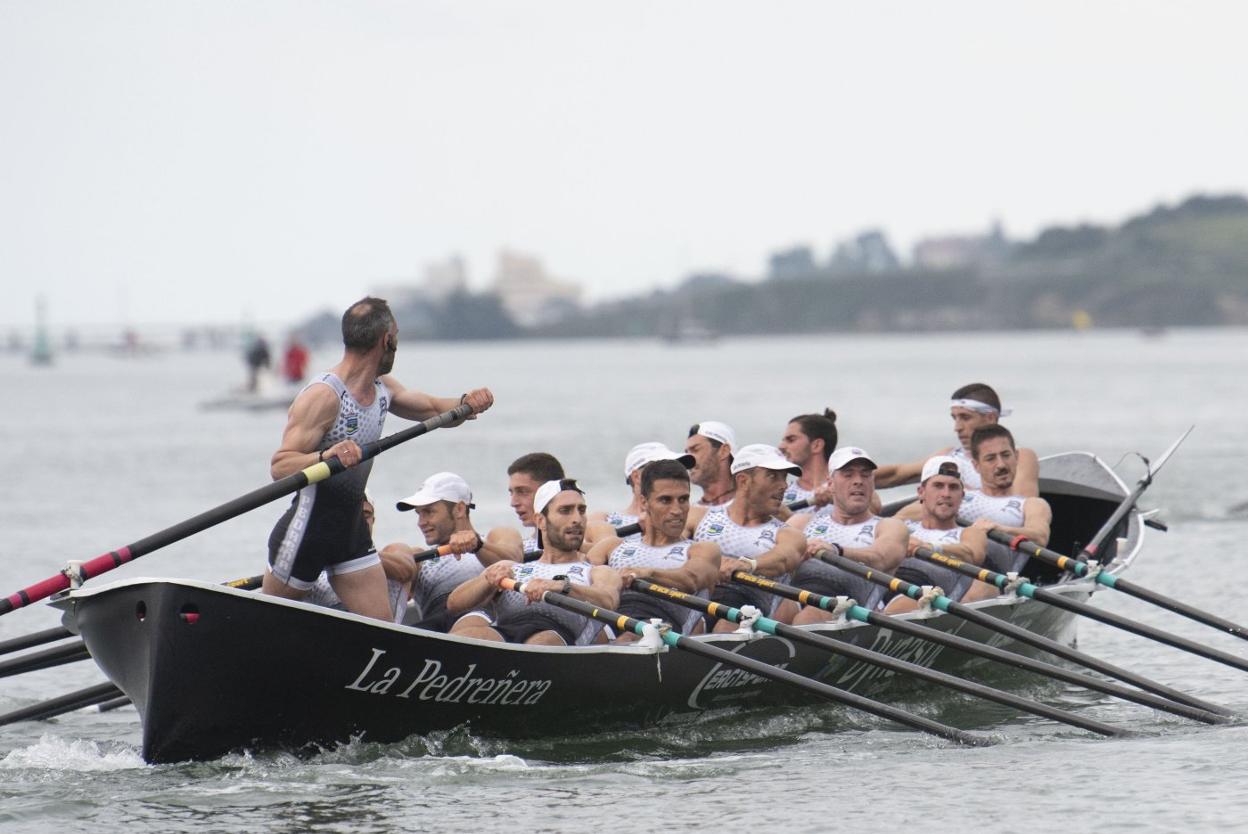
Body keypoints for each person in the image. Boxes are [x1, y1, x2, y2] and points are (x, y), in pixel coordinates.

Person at [263, 296, 494, 620]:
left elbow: (432, 409)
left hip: (351, 532)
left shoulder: (382, 388)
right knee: (266, 621)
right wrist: (326, 456)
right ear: (387, 339)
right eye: (396, 337)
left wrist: (465, 402)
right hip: (306, 533)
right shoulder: (324, 396)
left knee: (382, 629)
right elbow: (280, 465)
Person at [448, 479, 620, 645]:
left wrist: (562, 587)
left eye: (581, 510)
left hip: (558, 640)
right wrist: (486, 581)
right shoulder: (512, 568)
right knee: (470, 634)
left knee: (544, 640)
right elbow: (454, 604)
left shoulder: (597, 572)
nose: (577, 519)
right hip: (507, 634)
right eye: (566, 510)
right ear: (541, 521)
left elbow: (608, 601)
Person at [587, 459, 721, 640]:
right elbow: (581, 575)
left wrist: (648, 573)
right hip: (615, 622)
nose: (677, 510)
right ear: (644, 502)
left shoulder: (702, 550)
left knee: (630, 637)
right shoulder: (613, 547)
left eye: (683, 499)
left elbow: (691, 579)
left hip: (666, 627)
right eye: (665, 500)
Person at [686, 444, 806, 632]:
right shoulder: (697, 517)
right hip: (696, 606)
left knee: (727, 625)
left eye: (784, 477)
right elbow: (668, 549)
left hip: (748, 616)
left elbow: (785, 558)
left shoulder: (788, 534)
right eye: (773, 476)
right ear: (743, 481)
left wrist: (747, 564)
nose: (784, 485)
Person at [783, 447, 909, 624]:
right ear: (830, 483)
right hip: (797, 599)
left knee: (809, 616)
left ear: (873, 483)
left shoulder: (889, 526)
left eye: (865, 475)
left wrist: (836, 550)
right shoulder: (801, 522)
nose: (858, 481)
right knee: (775, 609)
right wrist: (791, 555)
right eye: (848, 474)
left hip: (852, 610)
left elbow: (881, 557)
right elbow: (776, 557)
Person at [874, 383, 1040, 496]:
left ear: (990, 418)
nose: (957, 427)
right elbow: (895, 474)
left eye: (965, 418)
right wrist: (852, 473)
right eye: (955, 418)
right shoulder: (948, 456)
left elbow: (1020, 506)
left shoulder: (1020, 456)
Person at [883, 456, 994, 614]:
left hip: (928, 595)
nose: (946, 493)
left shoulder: (970, 532)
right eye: (938, 486)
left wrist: (929, 547)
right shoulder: (902, 527)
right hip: (890, 586)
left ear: (962, 496)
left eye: (953, 487)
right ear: (921, 493)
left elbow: (972, 554)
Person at [379, 472, 487, 631]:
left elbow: (512, 556)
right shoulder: (420, 558)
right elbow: (401, 568)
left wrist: (477, 545)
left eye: (429, 512)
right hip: (437, 630)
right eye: (419, 514)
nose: (420, 523)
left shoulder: (494, 539)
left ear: (459, 509)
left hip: (483, 623)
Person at [958, 424, 1053, 571]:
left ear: (1016, 457)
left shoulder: (1031, 504)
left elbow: (1040, 537)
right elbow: (913, 514)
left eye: (1006, 455)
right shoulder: (958, 497)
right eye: (991, 459)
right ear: (976, 465)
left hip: (993, 580)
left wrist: (1000, 529)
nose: (1001, 465)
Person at [587, 442, 695, 542]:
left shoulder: (690, 517)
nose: (672, 475)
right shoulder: (604, 519)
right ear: (636, 477)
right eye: (661, 470)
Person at [483, 452, 566, 564]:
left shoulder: (588, 538)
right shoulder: (517, 548)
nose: (513, 503)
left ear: (551, 492)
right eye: (511, 493)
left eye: (523, 492)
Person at [778, 409, 837, 511]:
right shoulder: (781, 496)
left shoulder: (850, 489)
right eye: (783, 440)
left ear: (816, 445)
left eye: (791, 440)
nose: (781, 446)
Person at [684, 421, 737, 509]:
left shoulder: (754, 508)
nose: (688, 460)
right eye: (687, 452)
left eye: (695, 450)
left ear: (724, 451)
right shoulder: (688, 515)